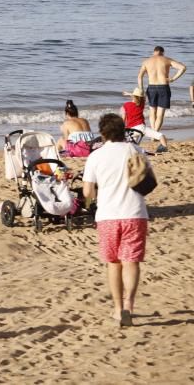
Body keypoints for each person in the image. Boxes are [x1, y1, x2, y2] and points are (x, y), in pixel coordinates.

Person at [83, 114, 152, 327]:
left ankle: (117, 309)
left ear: (102, 133)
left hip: (108, 216)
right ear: (123, 130)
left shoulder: (96, 156)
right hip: (135, 213)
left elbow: (88, 192)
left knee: (113, 264)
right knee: (131, 261)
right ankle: (129, 306)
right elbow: (146, 181)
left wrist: (89, 201)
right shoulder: (136, 150)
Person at [137, 46, 186, 132]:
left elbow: (139, 76)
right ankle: (155, 133)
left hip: (151, 87)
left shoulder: (146, 61)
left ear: (154, 52)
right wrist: (173, 79)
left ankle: (153, 133)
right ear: (162, 52)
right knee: (160, 113)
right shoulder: (167, 59)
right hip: (163, 87)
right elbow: (183, 68)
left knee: (152, 112)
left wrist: (141, 89)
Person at [121, 87, 169, 153]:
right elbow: (142, 97)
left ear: (133, 97)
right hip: (141, 128)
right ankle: (165, 148)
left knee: (132, 145)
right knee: (161, 136)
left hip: (131, 130)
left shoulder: (126, 105)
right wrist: (130, 94)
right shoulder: (141, 104)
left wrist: (122, 128)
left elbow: (123, 119)